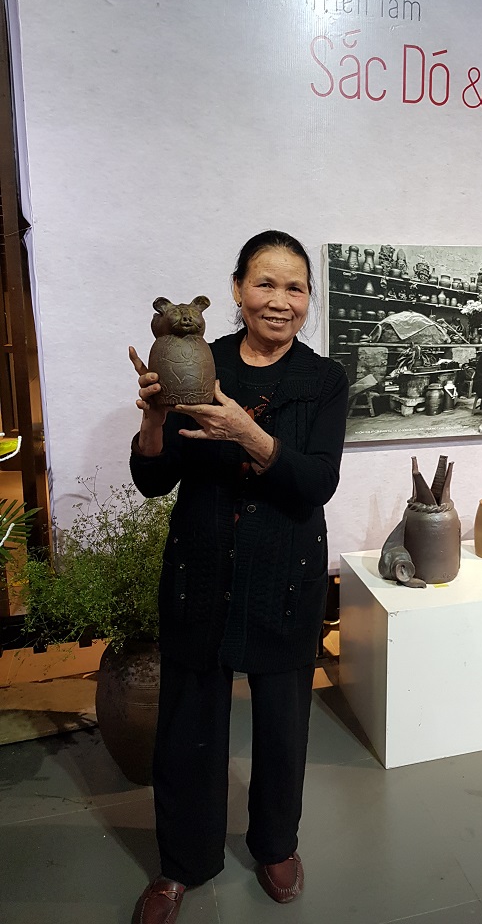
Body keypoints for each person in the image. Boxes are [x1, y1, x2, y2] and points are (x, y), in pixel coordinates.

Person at [127, 230, 349, 923]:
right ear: (235, 290)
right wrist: (155, 419)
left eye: (295, 288)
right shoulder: (201, 362)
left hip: (287, 571)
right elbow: (153, 480)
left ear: (307, 299)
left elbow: (317, 482)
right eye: (265, 284)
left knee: (284, 724)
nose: (280, 301)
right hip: (202, 566)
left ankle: (276, 844)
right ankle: (182, 862)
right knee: (188, 724)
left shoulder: (324, 380)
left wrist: (247, 434)